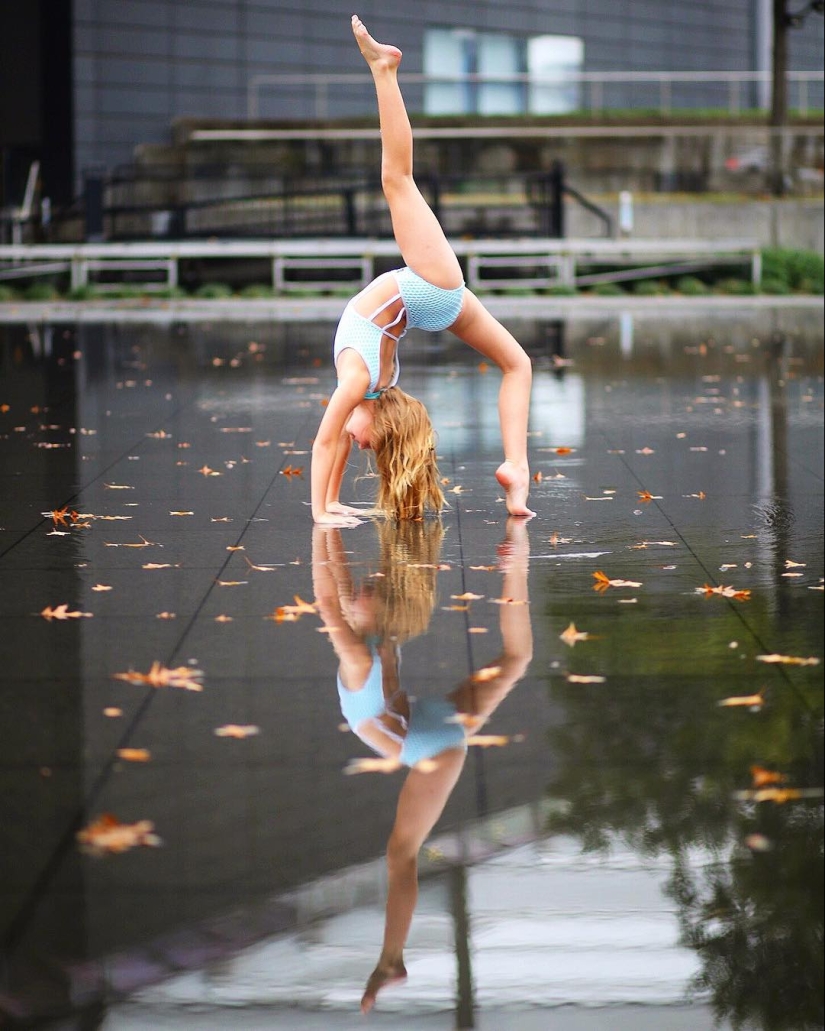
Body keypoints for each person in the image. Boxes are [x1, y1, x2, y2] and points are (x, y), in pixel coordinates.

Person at [311, 16, 535, 527]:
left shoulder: (369, 387)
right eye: (374, 446)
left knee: (518, 364)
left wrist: (328, 505)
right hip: (432, 289)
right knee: (398, 178)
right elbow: (327, 440)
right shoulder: (362, 381)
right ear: (385, 424)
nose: (361, 446)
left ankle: (517, 468)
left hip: (430, 299)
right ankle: (384, 70)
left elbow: (337, 437)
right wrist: (322, 511)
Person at [312, 517, 534, 1014]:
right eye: (366, 590)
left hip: (422, 726)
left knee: (516, 660)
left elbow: (335, 587)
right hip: (429, 744)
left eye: (367, 590)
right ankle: (391, 959)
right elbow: (330, 596)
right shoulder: (364, 652)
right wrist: (322, 532)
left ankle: (516, 567)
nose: (361, 590)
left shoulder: (369, 641)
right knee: (402, 855)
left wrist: (325, 531)